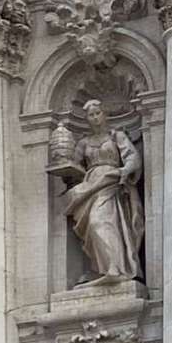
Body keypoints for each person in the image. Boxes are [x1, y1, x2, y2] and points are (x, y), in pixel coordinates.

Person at [52, 99, 144, 284]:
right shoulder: (84, 142)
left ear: (105, 114)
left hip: (110, 181)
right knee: (93, 225)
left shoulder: (116, 136)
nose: (94, 117)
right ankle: (102, 268)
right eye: (90, 115)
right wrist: (63, 163)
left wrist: (125, 171)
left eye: (97, 113)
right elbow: (75, 166)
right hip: (90, 186)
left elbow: (132, 157)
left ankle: (115, 268)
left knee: (100, 221)